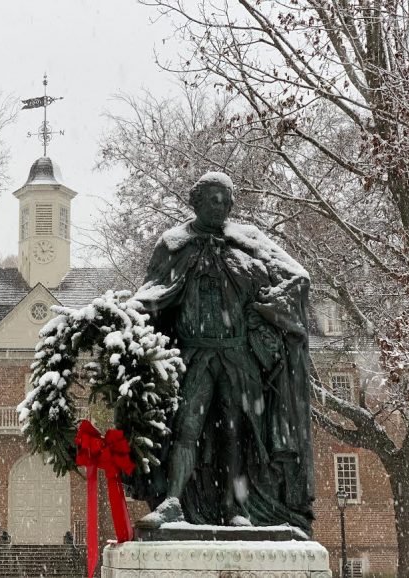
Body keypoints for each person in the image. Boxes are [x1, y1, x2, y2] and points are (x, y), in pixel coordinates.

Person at [133, 172, 315, 534]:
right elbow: (152, 294)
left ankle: (236, 507)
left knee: (236, 433)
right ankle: (173, 501)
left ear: (231, 205)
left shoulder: (248, 242)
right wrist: (127, 315)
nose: (219, 204)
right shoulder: (174, 244)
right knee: (186, 427)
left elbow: (298, 278)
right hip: (194, 355)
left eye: (224, 198)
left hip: (238, 357)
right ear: (195, 202)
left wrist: (265, 308)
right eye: (211, 198)